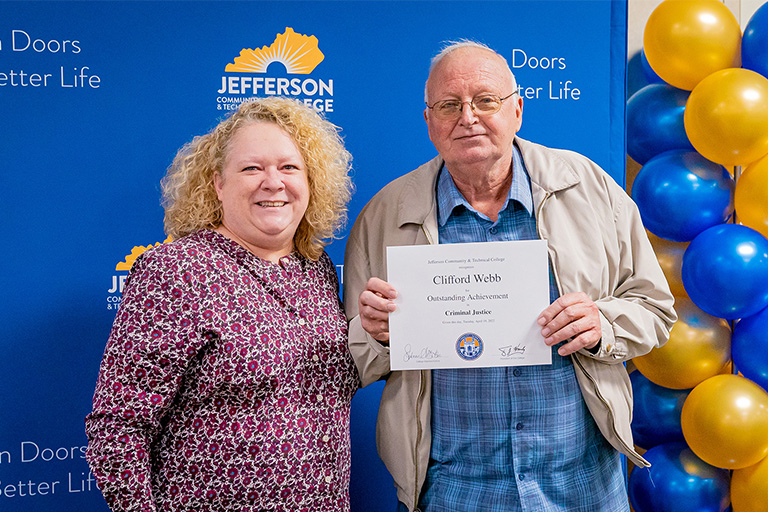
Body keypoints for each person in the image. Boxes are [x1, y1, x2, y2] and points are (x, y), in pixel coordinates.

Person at [343, 41, 677, 511]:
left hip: (582, 489)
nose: (468, 116)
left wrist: (602, 324)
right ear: (429, 122)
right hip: (448, 493)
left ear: (517, 110)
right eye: (448, 105)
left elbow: (655, 309)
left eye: (485, 100)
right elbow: (353, 359)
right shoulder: (385, 216)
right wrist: (376, 335)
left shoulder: (590, 188)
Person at [85, 97, 358, 512]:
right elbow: (119, 427)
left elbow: (323, 386)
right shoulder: (176, 270)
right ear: (217, 183)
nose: (273, 182)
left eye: (289, 167)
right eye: (252, 168)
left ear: (311, 180)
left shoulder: (315, 267)